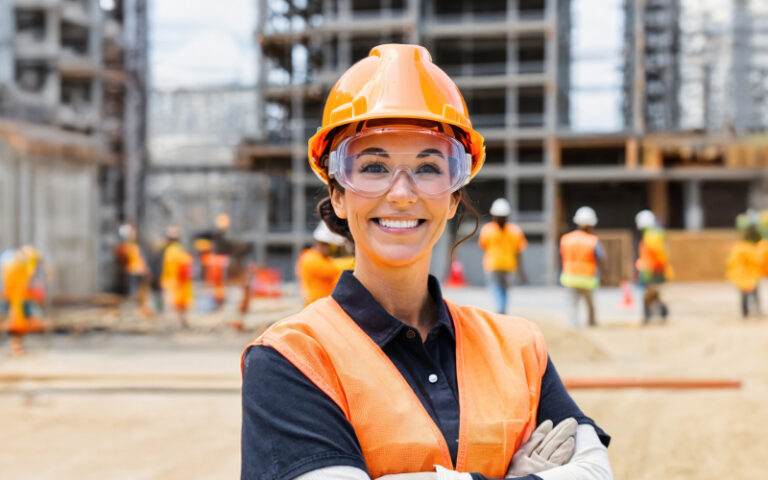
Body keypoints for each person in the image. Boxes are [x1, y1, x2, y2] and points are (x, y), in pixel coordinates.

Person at [241, 44, 612, 480]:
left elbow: (594, 472)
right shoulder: (291, 359)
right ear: (338, 194)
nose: (402, 193)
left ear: (455, 197)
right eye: (374, 167)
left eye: (429, 167)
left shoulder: (520, 347)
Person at [478, 198, 528, 314]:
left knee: (496, 289)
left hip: (492, 265)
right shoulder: (515, 230)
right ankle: (502, 309)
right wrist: (521, 272)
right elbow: (519, 251)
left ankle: (500, 309)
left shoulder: (487, 230)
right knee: (504, 290)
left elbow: (483, 246)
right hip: (509, 265)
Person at [559, 207, 605, 327]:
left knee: (572, 304)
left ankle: (573, 325)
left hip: (570, 277)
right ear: (591, 225)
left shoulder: (566, 238)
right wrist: (604, 274)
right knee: (590, 305)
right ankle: (591, 323)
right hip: (587, 278)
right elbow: (601, 258)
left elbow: (561, 255)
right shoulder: (593, 240)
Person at [296, 222, 350, 305]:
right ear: (324, 244)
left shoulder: (321, 259)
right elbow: (334, 269)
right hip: (315, 307)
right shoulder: (311, 259)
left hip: (322, 306)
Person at [634, 209, 672, 324]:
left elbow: (656, 256)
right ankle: (658, 313)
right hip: (656, 270)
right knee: (653, 294)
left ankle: (649, 316)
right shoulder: (655, 235)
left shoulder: (650, 237)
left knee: (647, 295)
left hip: (651, 270)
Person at [727, 212, 762, 317]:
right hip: (748, 271)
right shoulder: (748, 244)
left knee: (749, 290)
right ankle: (753, 309)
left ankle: (751, 309)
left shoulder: (743, 244)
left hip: (748, 271)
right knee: (751, 290)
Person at [114, 223, 152, 317]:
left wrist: (146, 270)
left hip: (137, 271)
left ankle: (140, 309)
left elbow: (139, 260)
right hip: (132, 272)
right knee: (132, 292)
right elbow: (122, 260)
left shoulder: (133, 246)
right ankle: (132, 310)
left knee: (139, 292)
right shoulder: (125, 247)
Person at [160, 226, 194, 328]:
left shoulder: (172, 250)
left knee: (176, 303)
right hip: (180, 281)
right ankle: (181, 321)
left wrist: (170, 280)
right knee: (180, 303)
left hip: (176, 281)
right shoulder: (178, 249)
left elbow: (173, 267)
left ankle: (179, 322)